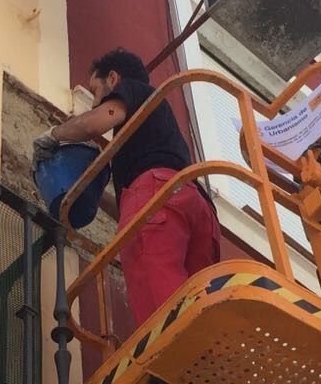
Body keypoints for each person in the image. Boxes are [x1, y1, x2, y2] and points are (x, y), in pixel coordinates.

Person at [35, 48, 219, 322]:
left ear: (112, 78)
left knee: (163, 313)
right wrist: (90, 194)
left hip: (158, 198)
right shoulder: (149, 129)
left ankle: (173, 356)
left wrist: (53, 134)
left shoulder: (132, 91)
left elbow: (93, 125)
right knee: (199, 307)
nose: (96, 102)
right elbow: (137, 209)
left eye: (96, 91)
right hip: (195, 205)